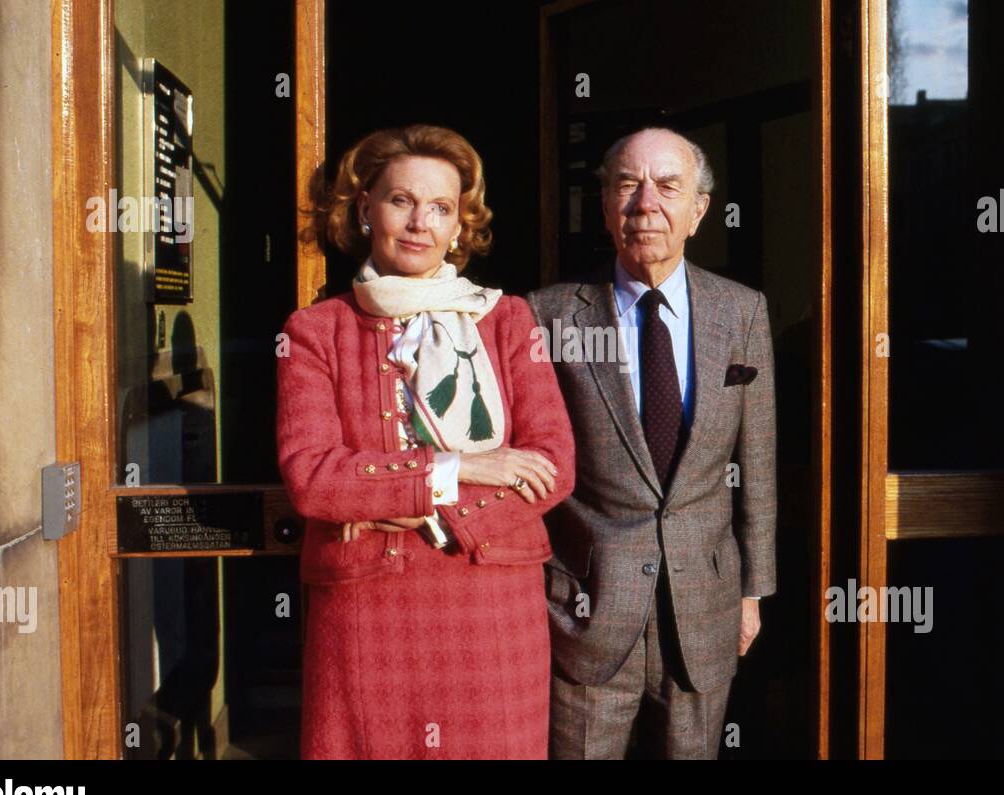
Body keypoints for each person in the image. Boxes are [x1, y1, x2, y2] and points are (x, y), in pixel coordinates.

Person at [276, 124, 575, 759]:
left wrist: (381, 500)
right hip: (367, 609)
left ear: (462, 224)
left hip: (491, 603)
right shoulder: (315, 332)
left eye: (441, 208)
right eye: (400, 201)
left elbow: (553, 463)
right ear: (364, 210)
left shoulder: (509, 319)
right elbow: (313, 476)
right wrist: (457, 467)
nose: (420, 223)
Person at [526, 127, 777, 759]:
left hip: (704, 611)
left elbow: (760, 466)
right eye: (627, 185)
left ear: (698, 211)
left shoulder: (741, 311)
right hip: (584, 611)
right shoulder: (547, 314)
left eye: (668, 186)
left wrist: (752, 593)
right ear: (606, 204)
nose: (646, 203)